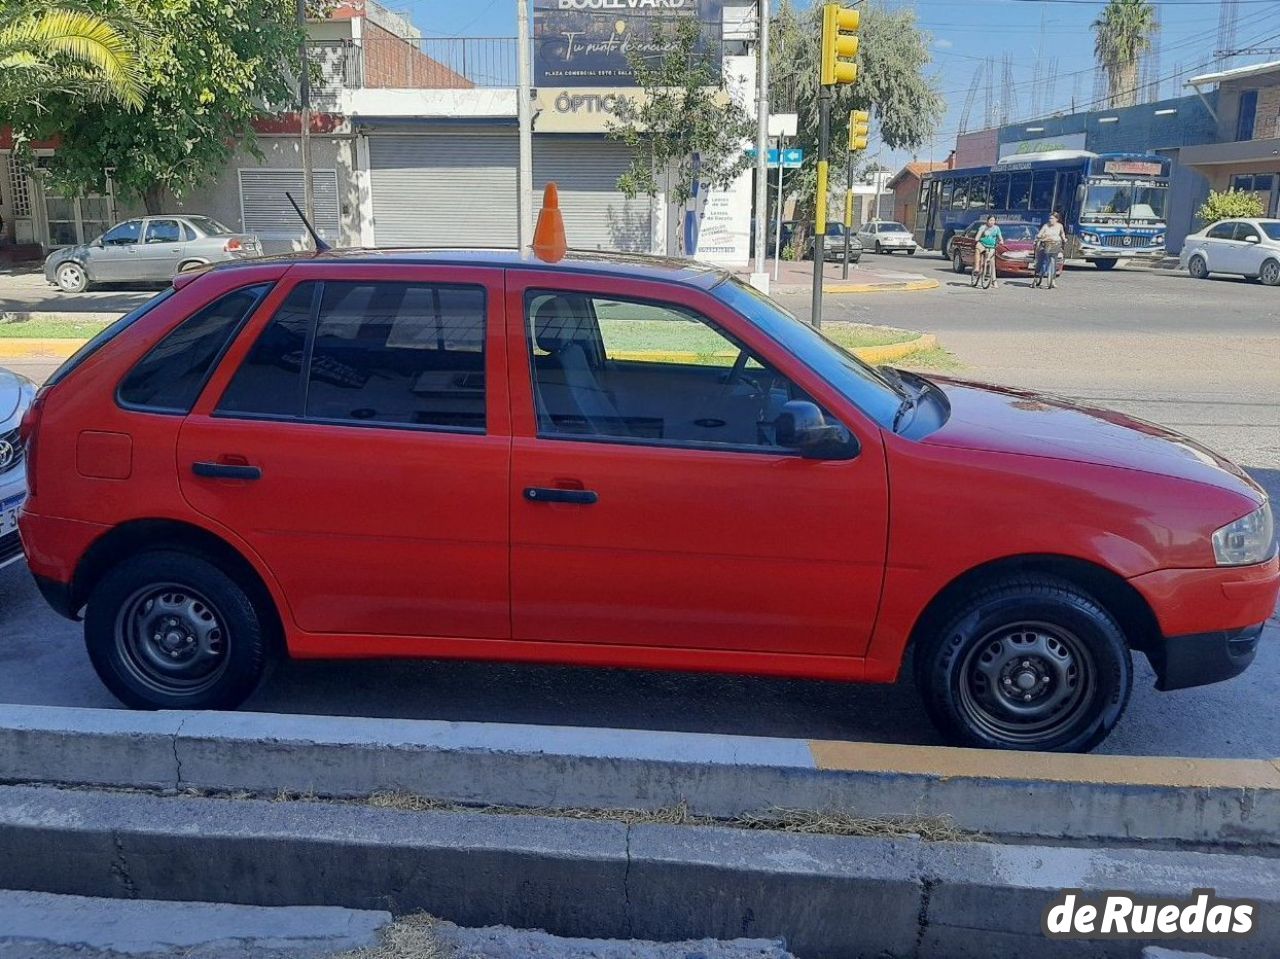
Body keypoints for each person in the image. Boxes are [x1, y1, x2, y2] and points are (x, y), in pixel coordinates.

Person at [1035, 212, 1066, 288]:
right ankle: (1038, 276)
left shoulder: (1060, 226)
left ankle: (1053, 280)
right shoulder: (1046, 226)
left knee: (1054, 262)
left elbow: (1062, 234)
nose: (1050, 220)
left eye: (1052, 218)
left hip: (1056, 244)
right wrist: (1039, 237)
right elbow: (1040, 234)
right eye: (1049, 218)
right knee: (1042, 262)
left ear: (1056, 219)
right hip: (1046, 244)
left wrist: (1064, 239)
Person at [974, 216, 1003, 286]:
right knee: (977, 247)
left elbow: (1000, 237)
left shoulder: (996, 228)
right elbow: (977, 237)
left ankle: (991, 277)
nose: (992, 222)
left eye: (993, 220)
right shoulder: (983, 227)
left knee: (990, 260)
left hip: (991, 247)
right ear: (987, 221)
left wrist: (1001, 241)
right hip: (982, 245)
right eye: (990, 220)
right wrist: (978, 238)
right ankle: (977, 267)